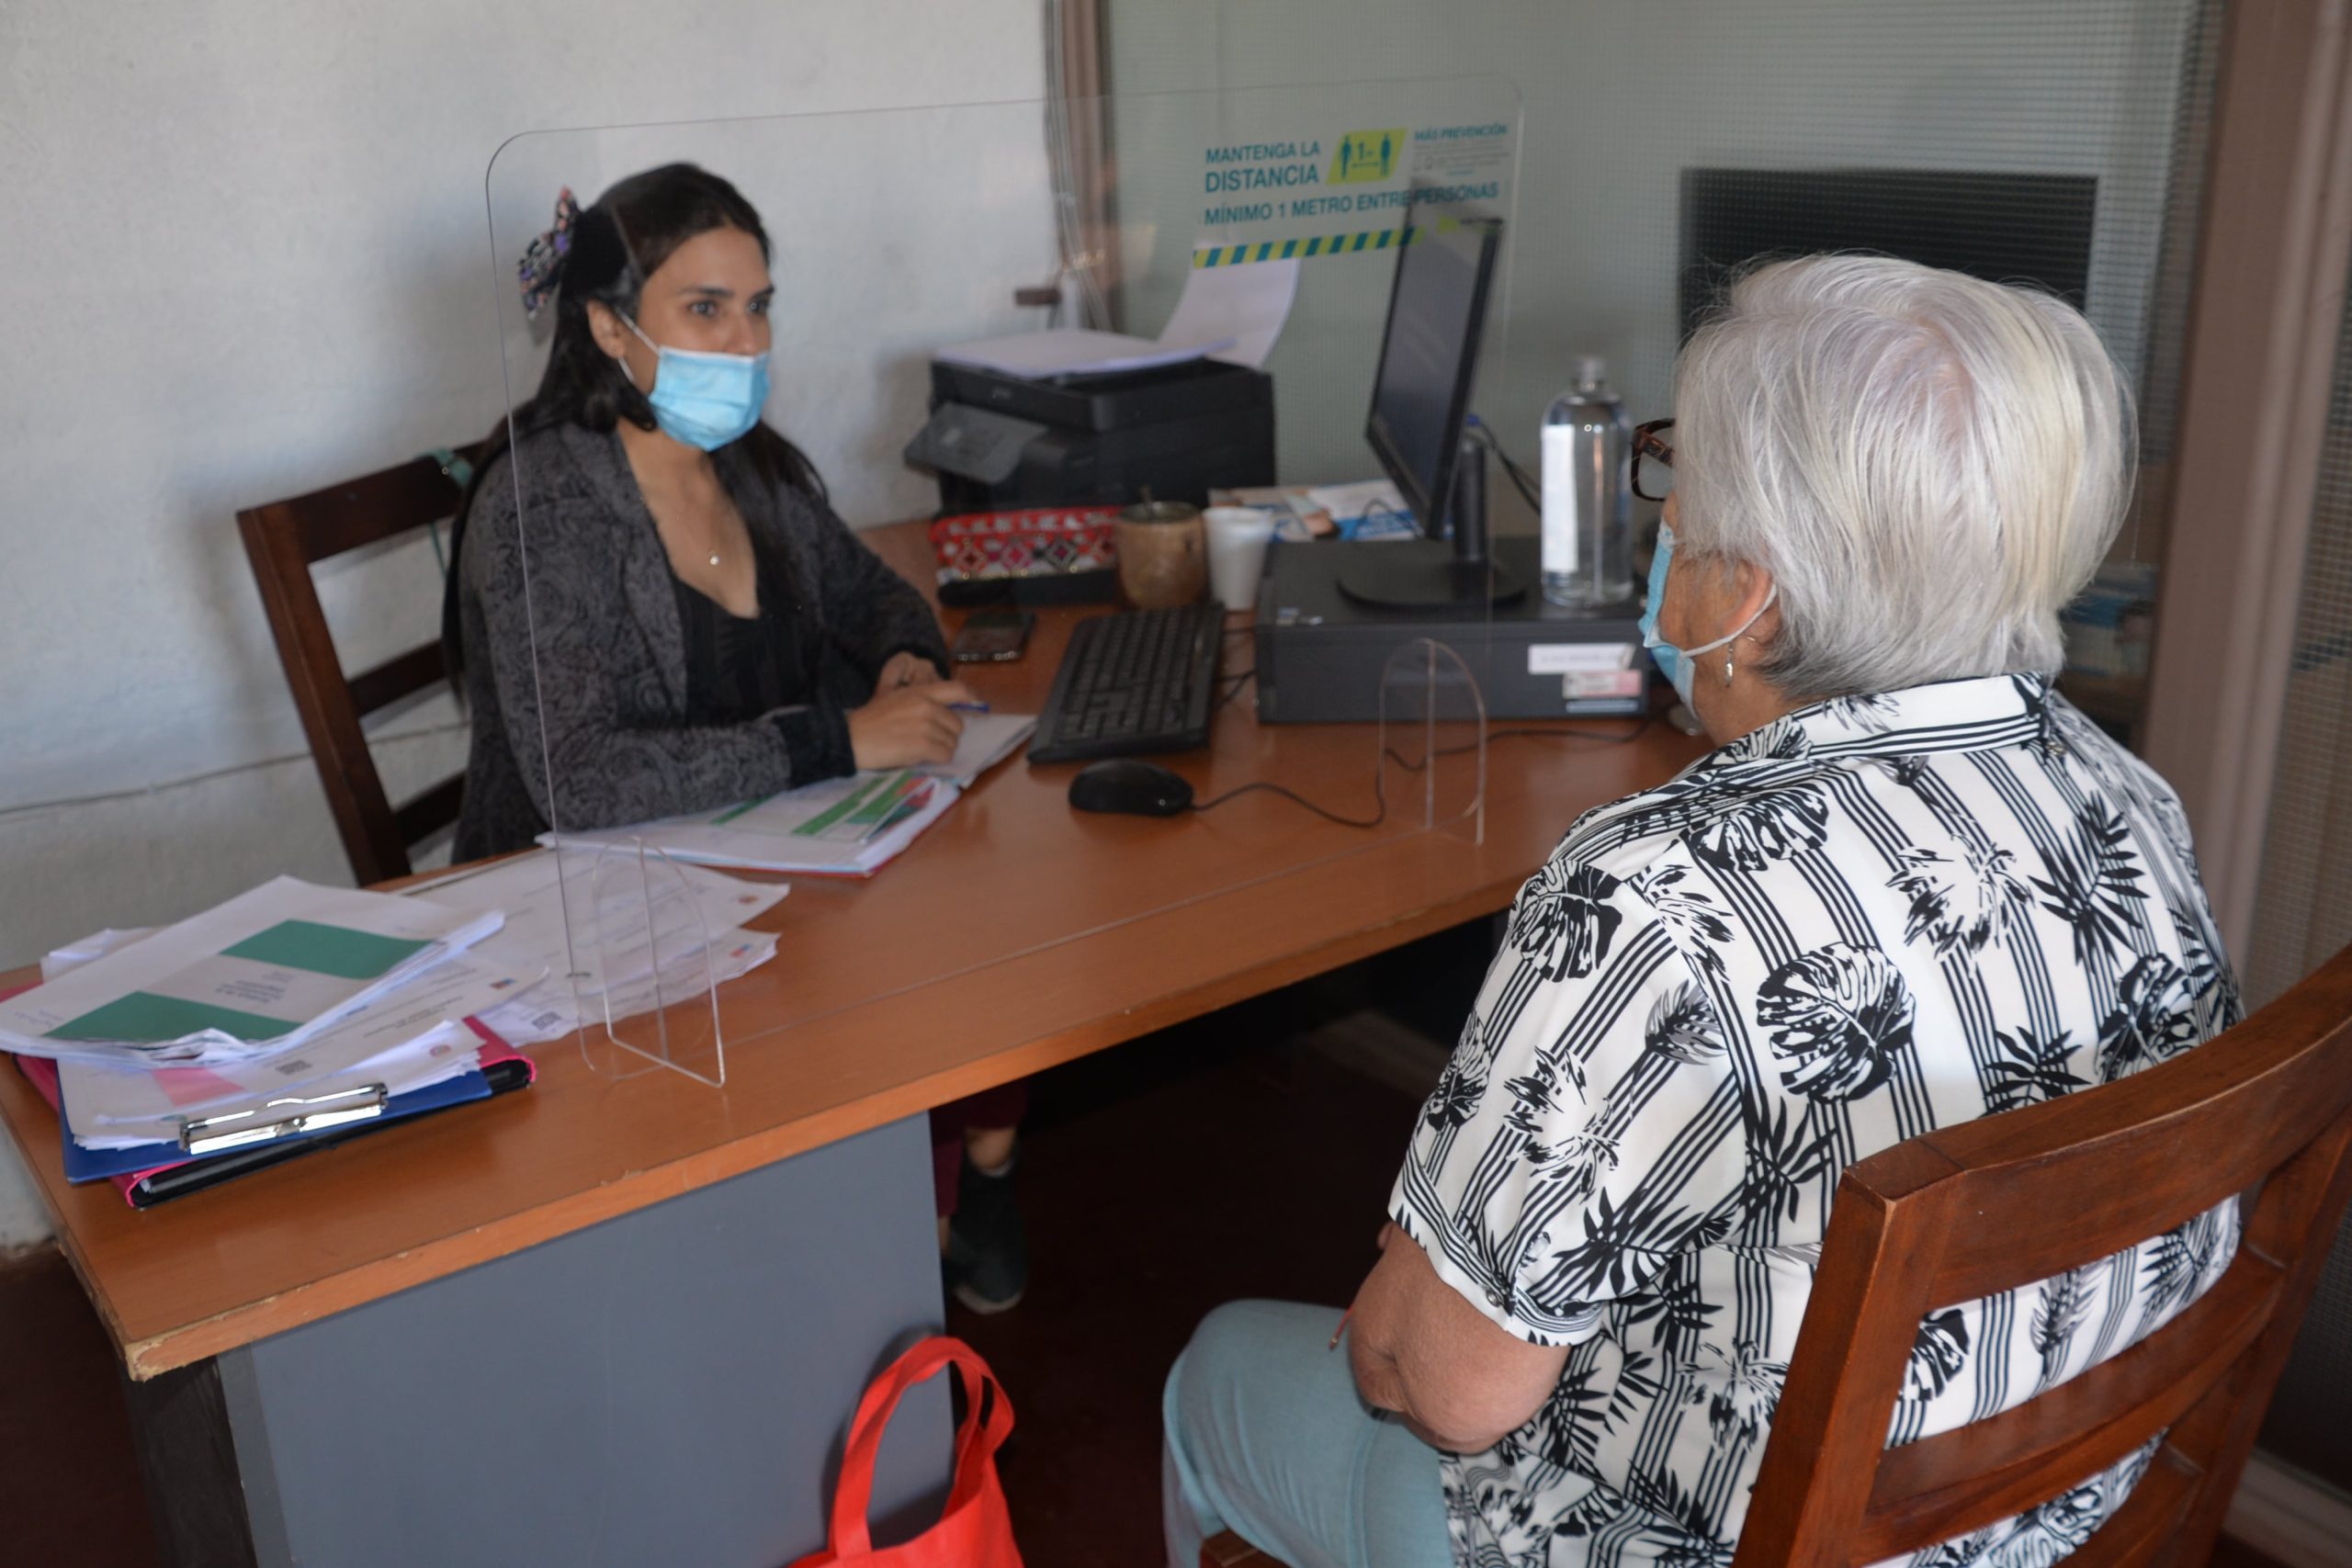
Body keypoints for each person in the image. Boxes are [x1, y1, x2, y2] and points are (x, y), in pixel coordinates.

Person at [1162, 255, 2244, 1568]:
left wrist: (1412, 1275)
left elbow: (1438, 1388)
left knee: (1215, 1369)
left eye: (1679, 482)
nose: (1662, 522)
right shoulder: (2127, 797)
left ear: (1754, 590)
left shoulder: (1655, 889)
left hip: (1724, 1542)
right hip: (2050, 1514)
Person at [447, 164, 1027, 1309]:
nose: (745, 338)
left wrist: (907, 659)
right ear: (609, 326)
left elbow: (877, 600)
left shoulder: (750, 467)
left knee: (989, 939)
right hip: (588, 933)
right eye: (705, 309)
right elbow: (581, 780)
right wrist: (835, 741)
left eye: (758, 306)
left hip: (760, 886)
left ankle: (965, 1193)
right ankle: (895, 1236)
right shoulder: (545, 509)